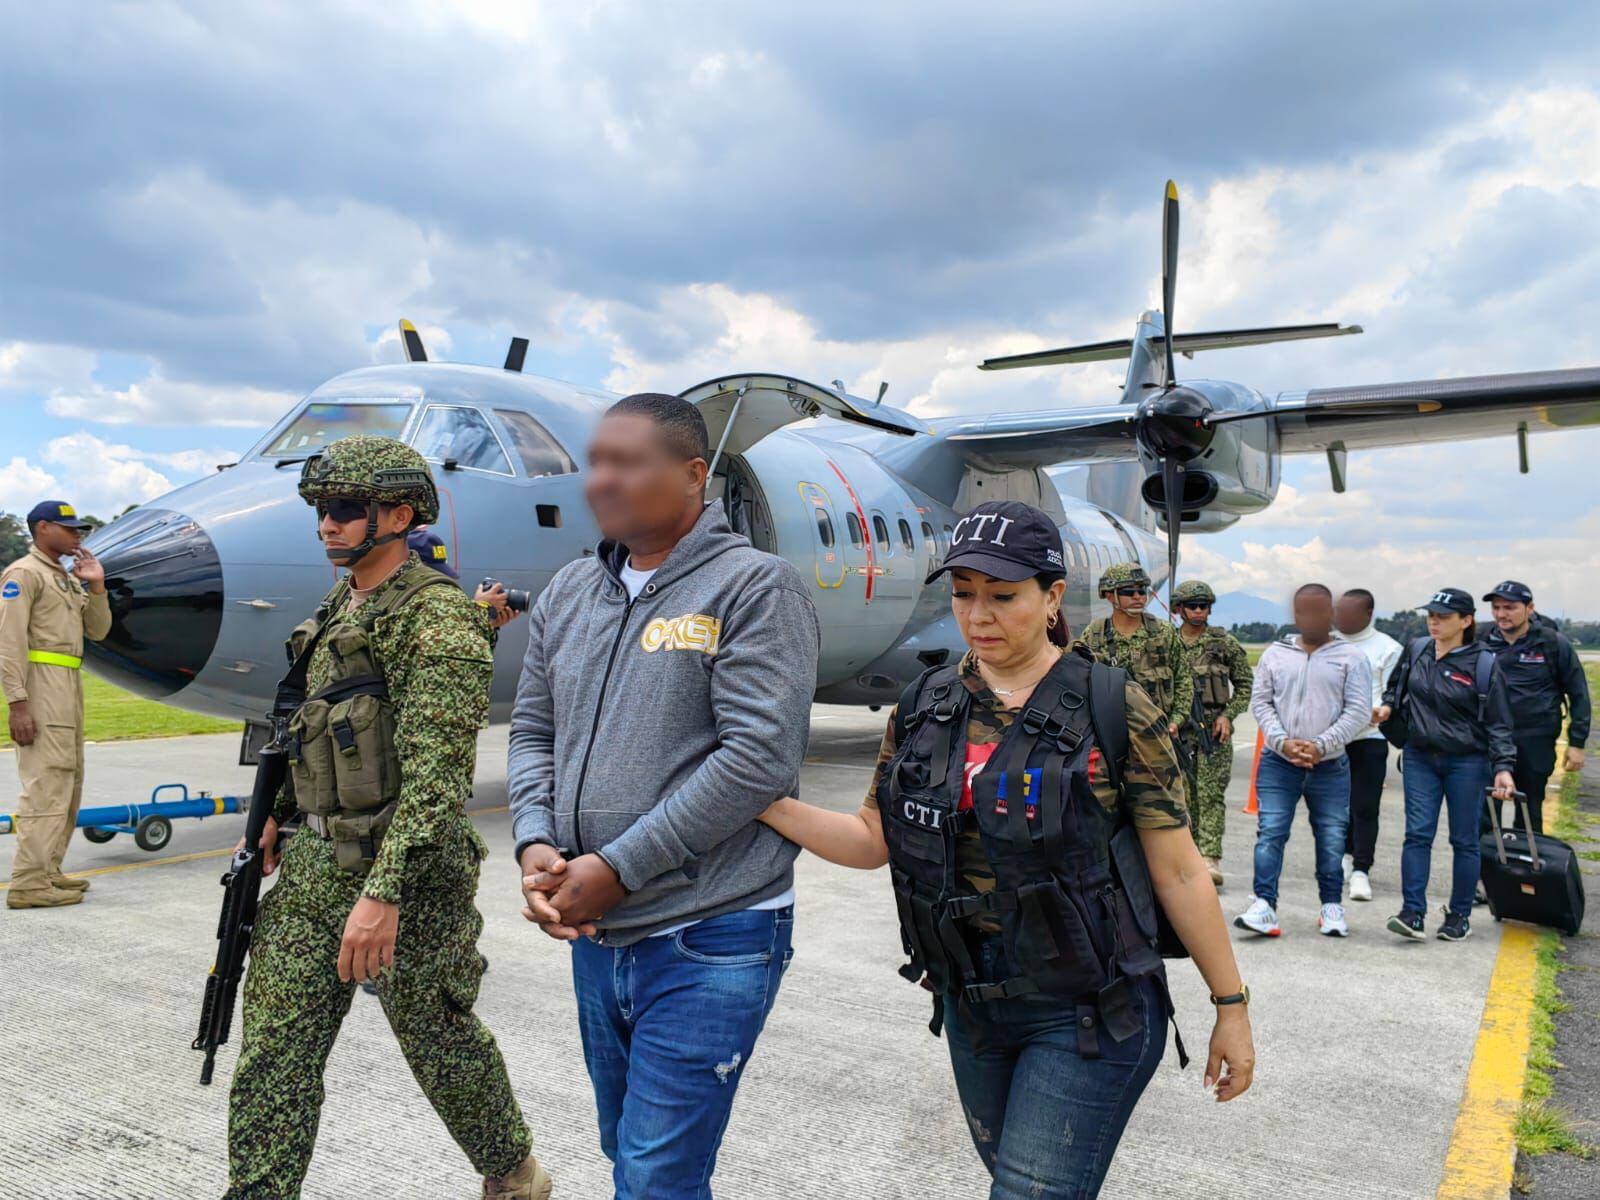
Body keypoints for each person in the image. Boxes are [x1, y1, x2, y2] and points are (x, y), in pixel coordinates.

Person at [758, 500, 1254, 1198]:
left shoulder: (1115, 706)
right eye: (963, 595)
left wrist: (1230, 1006)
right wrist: (767, 803)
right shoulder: (925, 704)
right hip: (971, 1001)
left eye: (1003, 596)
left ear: (1053, 596)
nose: (978, 616)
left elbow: (1178, 872)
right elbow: (873, 839)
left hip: (1089, 1005)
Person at [509, 393, 820, 1199]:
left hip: (710, 931)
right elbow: (533, 731)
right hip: (597, 934)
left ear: (691, 476)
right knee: (631, 1153)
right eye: (595, 461)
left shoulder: (754, 587)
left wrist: (618, 865)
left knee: (654, 1175)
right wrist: (537, 843)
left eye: (626, 462)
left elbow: (758, 757)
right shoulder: (570, 592)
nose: (600, 480)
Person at [225, 437, 548, 1199]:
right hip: (313, 867)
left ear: (400, 515)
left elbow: (438, 781)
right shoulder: (340, 604)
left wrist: (384, 894)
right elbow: (301, 716)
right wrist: (272, 812)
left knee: (436, 1039)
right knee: (274, 1053)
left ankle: (513, 1173)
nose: (326, 525)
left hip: (408, 877)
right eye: (320, 510)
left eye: (344, 510)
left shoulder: (435, 622)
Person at [1378, 588, 1517, 943]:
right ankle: (1413, 913)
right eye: (1431, 615)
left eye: (1443, 616)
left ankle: (1459, 915)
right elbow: (1395, 690)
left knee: (1464, 839)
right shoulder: (1417, 649)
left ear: (1466, 621)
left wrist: (1503, 766)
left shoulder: (1484, 663)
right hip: (1420, 757)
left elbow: (1499, 722)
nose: (1434, 621)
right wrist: (1387, 710)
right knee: (1417, 834)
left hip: (1467, 761)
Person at [1237, 585, 1371, 939]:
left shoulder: (1351, 658)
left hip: (1330, 766)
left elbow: (1358, 711)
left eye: (1318, 611)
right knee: (1270, 833)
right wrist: (1283, 741)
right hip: (1278, 763)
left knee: (1330, 838)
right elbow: (1261, 702)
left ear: (1332, 614)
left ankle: (1331, 907)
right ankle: (1264, 905)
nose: (1309, 618)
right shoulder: (1275, 655)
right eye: (1302, 611)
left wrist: (1320, 745)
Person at [0, 501, 110, 909]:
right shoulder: (24, 575)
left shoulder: (63, 578)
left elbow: (97, 630)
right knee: (46, 783)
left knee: (68, 780)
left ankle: (48, 870)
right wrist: (18, 704)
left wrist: (95, 586)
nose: (77, 534)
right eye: (69, 528)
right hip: (41, 685)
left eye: (79, 528)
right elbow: (9, 644)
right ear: (42, 529)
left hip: (67, 684)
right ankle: (28, 883)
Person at [1481, 580, 1589, 834]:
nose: (1501, 614)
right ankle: (1485, 871)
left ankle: (1528, 869)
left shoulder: (1553, 644)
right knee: (1485, 810)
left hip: (1534, 737)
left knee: (1529, 809)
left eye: (1509, 607)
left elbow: (1578, 693)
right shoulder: (1480, 640)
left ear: (1529, 608)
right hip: (1489, 737)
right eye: (1496, 608)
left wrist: (1577, 743)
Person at [1171, 579, 1253, 889]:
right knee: (1181, 795)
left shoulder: (1223, 643)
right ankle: (1185, 856)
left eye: (1204, 606)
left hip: (1212, 730)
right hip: (1179, 731)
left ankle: (1209, 858)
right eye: (1193, 606)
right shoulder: (1168, 642)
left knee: (1210, 795)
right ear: (1179, 609)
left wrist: (1228, 716)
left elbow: (1245, 684)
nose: (1199, 611)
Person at [1333, 588, 1402, 903]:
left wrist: (1380, 714)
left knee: (1364, 806)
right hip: (1333, 739)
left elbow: (1393, 695)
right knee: (1337, 805)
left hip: (1369, 739)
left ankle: (1362, 867)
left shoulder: (1388, 649)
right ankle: (1343, 858)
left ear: (1368, 614)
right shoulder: (1329, 643)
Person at [1080, 562, 1194, 743]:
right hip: (1112, 736)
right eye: (1129, 592)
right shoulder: (1095, 635)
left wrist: (1176, 721)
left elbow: (1183, 679)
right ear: (1110, 595)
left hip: (1158, 734)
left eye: (1142, 591)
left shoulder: (1164, 632)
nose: (1138, 597)